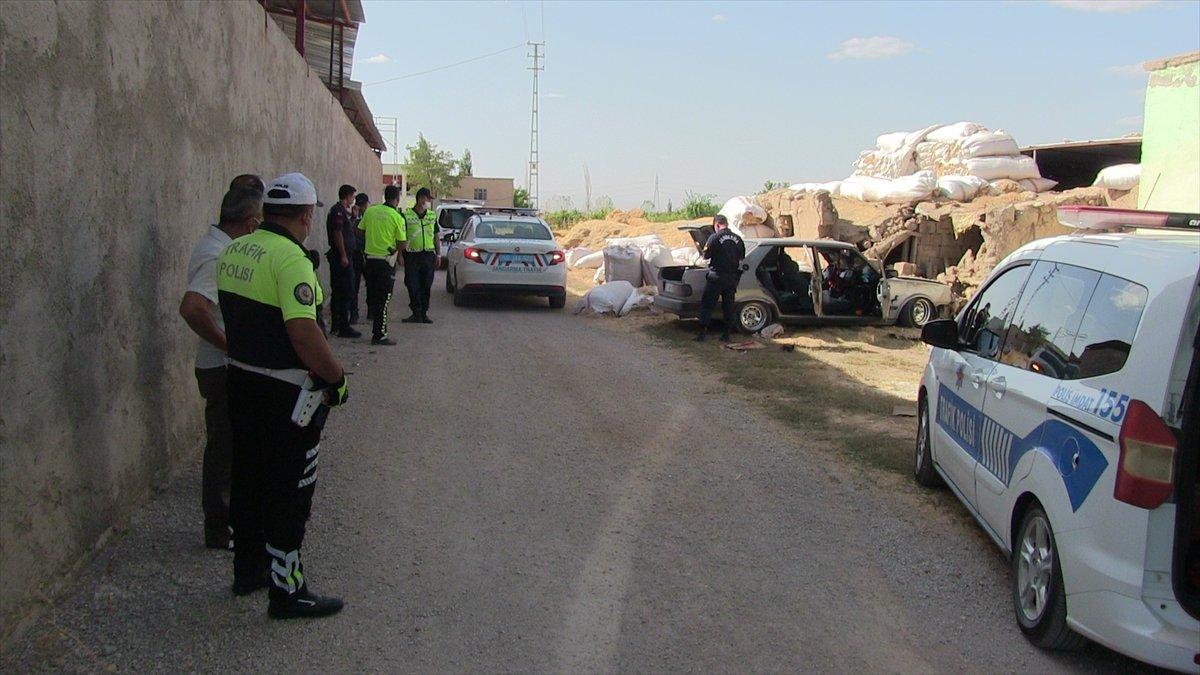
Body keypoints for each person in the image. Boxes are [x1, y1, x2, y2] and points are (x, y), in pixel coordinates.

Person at [218, 172, 349, 619]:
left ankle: (247, 570)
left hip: (239, 381)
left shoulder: (234, 248)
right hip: (285, 392)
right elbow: (303, 333)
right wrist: (337, 378)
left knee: (249, 479)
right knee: (291, 491)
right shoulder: (292, 260)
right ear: (307, 214)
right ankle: (287, 592)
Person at [178, 186, 263, 549]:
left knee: (231, 444)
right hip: (221, 367)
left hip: (224, 364)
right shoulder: (217, 256)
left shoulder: (220, 247)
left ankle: (228, 519)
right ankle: (219, 526)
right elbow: (192, 308)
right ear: (250, 222)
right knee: (224, 447)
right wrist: (231, 345)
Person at [358, 185, 407, 345]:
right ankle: (380, 335)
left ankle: (376, 329)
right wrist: (395, 250)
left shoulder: (370, 211)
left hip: (370, 261)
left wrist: (372, 240)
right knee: (384, 299)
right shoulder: (396, 217)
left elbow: (359, 231)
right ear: (397, 199)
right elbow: (402, 243)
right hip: (386, 262)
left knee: (373, 296)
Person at [694, 214, 746, 342]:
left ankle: (702, 334)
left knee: (708, 305)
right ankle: (726, 334)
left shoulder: (714, 237)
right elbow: (741, 257)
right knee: (728, 306)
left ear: (717, 224)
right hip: (731, 278)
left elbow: (706, 256)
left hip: (716, 277)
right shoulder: (738, 239)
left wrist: (700, 248)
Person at [400, 187, 440, 324]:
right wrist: (399, 254)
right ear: (421, 198)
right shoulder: (406, 215)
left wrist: (439, 254)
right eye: (427, 198)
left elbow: (436, 236)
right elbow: (401, 236)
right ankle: (415, 312)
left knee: (426, 284)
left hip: (428, 255)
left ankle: (423, 313)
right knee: (412, 284)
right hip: (411, 255)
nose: (428, 201)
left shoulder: (432, 215)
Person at [325, 184, 360, 338]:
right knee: (344, 290)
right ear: (347, 196)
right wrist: (343, 255)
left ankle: (338, 325)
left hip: (344, 256)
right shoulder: (338, 211)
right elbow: (338, 233)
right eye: (352, 196)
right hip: (341, 258)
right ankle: (342, 326)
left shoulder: (343, 212)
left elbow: (346, 231)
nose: (353, 199)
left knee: (342, 290)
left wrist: (353, 217)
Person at [350, 192, 370, 325]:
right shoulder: (353, 216)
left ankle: (369, 312)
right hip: (358, 254)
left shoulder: (367, 216)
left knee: (369, 284)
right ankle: (354, 313)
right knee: (355, 285)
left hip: (364, 253)